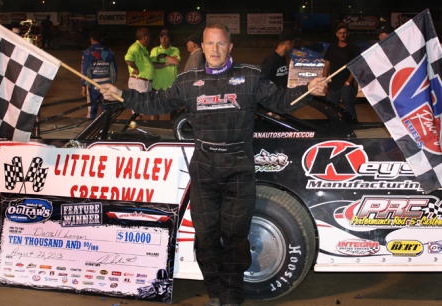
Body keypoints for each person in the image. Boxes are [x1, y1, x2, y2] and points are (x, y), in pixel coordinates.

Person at [100, 23, 327, 306]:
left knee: (234, 237)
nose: (215, 49)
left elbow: (281, 100)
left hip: (239, 169)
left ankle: (231, 297)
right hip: (204, 169)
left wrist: (308, 89)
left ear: (230, 47)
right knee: (206, 238)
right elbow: (156, 102)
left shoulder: (250, 76)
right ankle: (216, 293)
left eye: (221, 44)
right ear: (202, 47)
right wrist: (122, 94)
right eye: (210, 44)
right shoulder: (187, 81)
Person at [322, 24, 360, 119]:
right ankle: (334, 129)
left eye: (344, 33)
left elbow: (355, 67)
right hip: (332, 84)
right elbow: (326, 66)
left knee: (349, 109)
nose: (342, 35)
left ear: (348, 34)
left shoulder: (353, 48)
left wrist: (348, 82)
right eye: (340, 33)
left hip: (346, 85)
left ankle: (353, 128)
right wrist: (324, 82)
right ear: (336, 34)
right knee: (331, 109)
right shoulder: (332, 48)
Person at [80, 30, 118, 121]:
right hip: (107, 83)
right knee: (106, 108)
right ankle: (105, 129)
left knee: (92, 108)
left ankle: (90, 129)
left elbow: (84, 70)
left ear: (91, 39)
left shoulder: (87, 52)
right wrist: (112, 83)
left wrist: (83, 85)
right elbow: (115, 69)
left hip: (93, 84)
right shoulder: (109, 52)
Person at [125, 27, 155, 94]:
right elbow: (128, 59)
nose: (150, 39)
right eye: (149, 37)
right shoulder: (136, 47)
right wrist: (136, 68)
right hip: (139, 83)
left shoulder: (142, 48)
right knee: (140, 103)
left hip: (144, 83)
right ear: (145, 37)